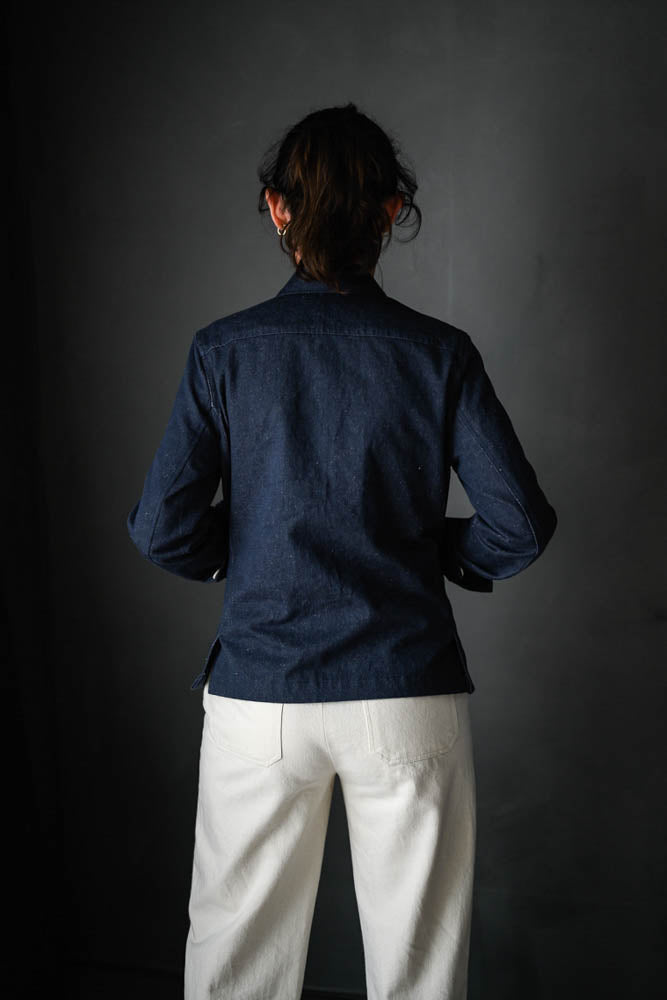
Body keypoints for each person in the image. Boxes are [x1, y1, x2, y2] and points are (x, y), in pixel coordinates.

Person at [126, 101, 557, 1000]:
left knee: (235, 971)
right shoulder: (439, 353)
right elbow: (518, 524)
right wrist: (427, 548)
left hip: (261, 695)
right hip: (406, 690)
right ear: (390, 212)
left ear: (277, 208)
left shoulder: (223, 352)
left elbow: (163, 526)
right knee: (418, 976)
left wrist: (247, 550)